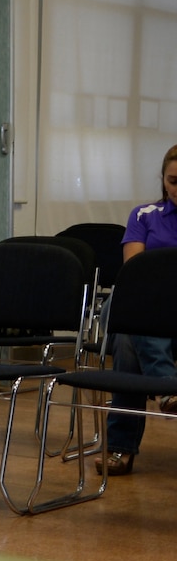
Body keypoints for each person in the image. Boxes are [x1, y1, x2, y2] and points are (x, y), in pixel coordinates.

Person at [100, 143, 177, 475]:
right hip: (144, 308)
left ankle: (120, 448)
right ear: (163, 179)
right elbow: (134, 275)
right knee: (128, 313)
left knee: (126, 340)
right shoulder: (144, 215)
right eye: (174, 181)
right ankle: (165, 385)